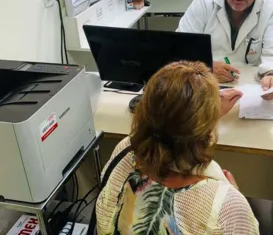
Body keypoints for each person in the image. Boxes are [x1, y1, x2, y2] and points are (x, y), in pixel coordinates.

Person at [95, 61, 260, 234]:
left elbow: (170, 137)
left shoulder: (125, 150)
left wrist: (198, 112)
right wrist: (234, 194)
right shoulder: (228, 209)